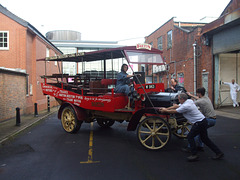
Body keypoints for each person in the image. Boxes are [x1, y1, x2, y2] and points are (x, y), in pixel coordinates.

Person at [159, 93, 224, 162]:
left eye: (179, 99)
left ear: (182, 99)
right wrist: (166, 108)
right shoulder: (188, 101)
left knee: (190, 136)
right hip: (203, 121)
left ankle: (194, 154)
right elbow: (177, 106)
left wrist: (165, 111)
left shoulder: (186, 106)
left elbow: (175, 111)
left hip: (198, 123)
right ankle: (219, 152)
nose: (178, 100)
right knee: (205, 139)